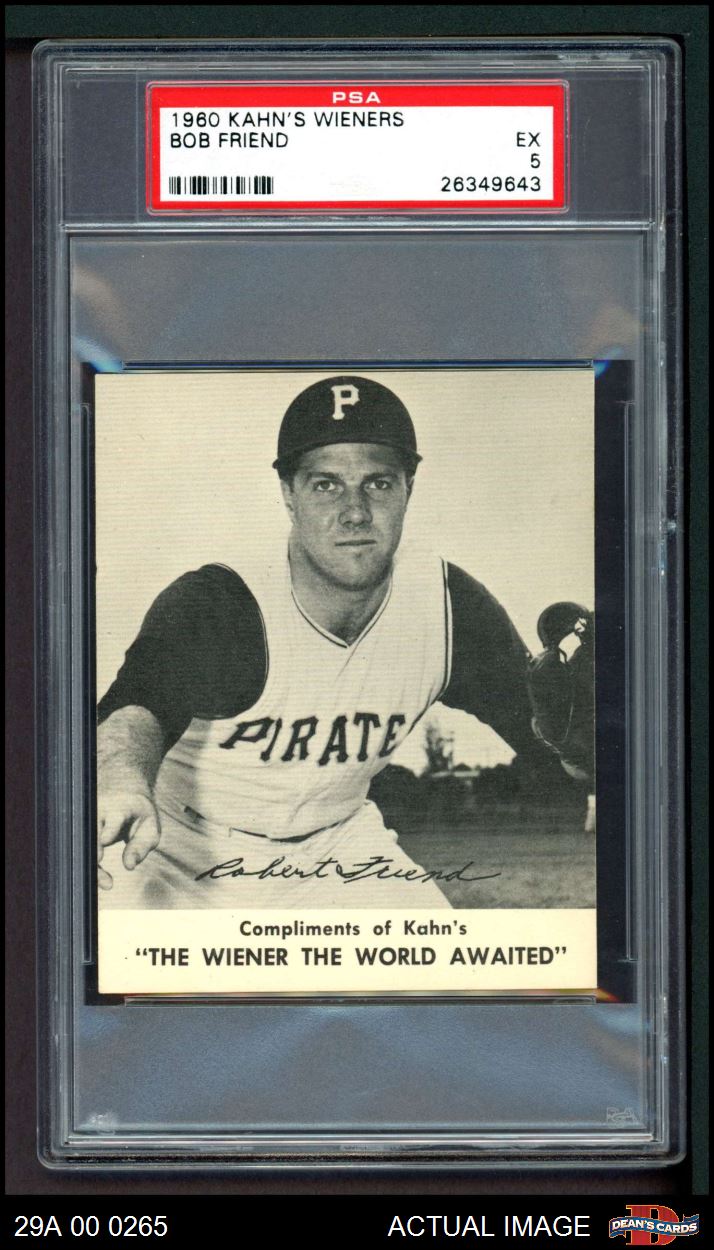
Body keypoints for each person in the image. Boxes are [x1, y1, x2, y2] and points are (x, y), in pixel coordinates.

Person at [96, 375, 593, 909]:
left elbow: (552, 746)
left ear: (408, 489)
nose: (355, 511)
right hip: (173, 845)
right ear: (289, 494)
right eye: (326, 485)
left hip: (339, 846)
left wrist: (597, 744)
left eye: (378, 483)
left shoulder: (450, 608)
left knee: (445, 958)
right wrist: (121, 782)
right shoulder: (225, 600)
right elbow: (136, 707)